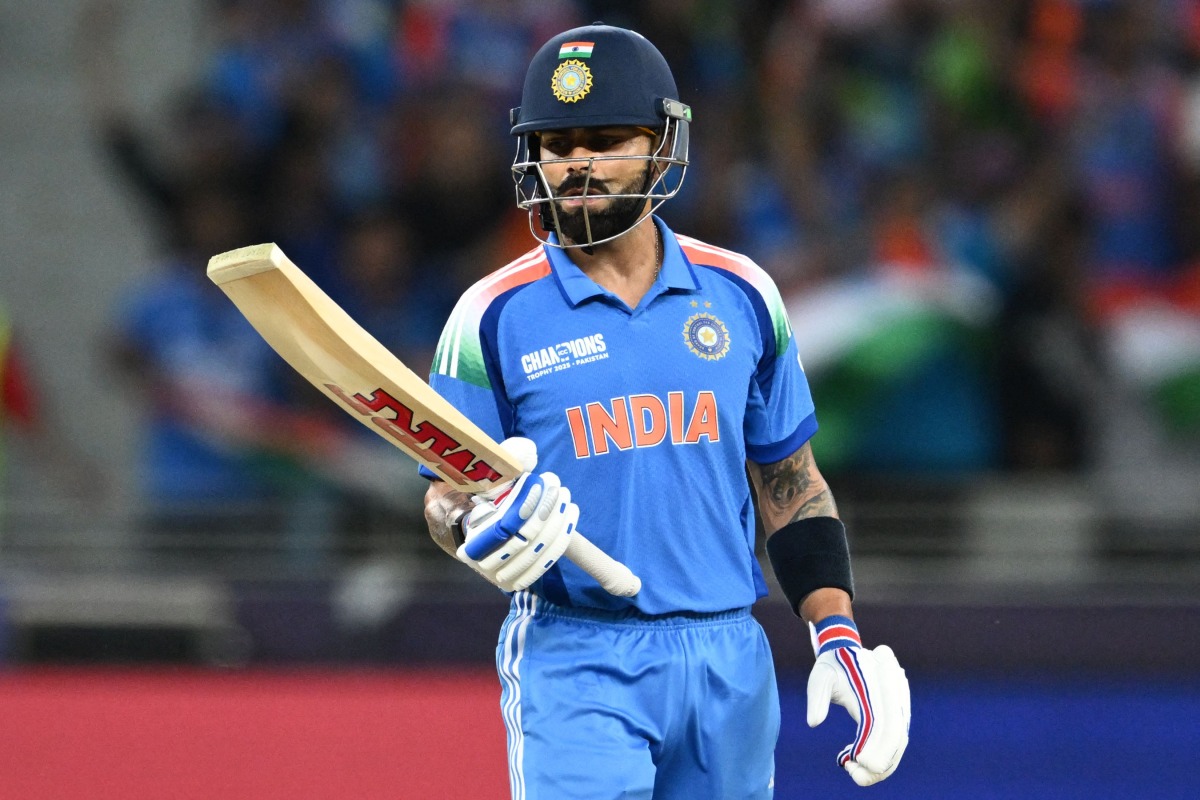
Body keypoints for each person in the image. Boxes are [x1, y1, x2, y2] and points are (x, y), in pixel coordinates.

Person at [422, 23, 910, 798]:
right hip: (576, 657)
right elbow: (449, 492)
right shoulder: (488, 317)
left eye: (605, 138)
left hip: (728, 658)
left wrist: (837, 632)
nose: (575, 162)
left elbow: (791, 481)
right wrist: (470, 529)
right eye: (555, 143)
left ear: (660, 143)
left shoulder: (742, 293)